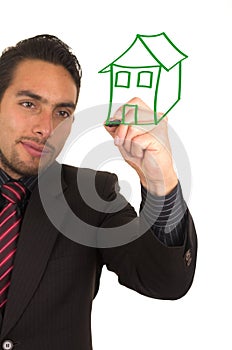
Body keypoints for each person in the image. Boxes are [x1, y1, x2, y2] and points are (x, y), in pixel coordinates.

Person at [0, 35, 197, 350]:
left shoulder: (92, 195)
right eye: (29, 104)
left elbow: (167, 280)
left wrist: (160, 180)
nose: (46, 128)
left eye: (62, 113)